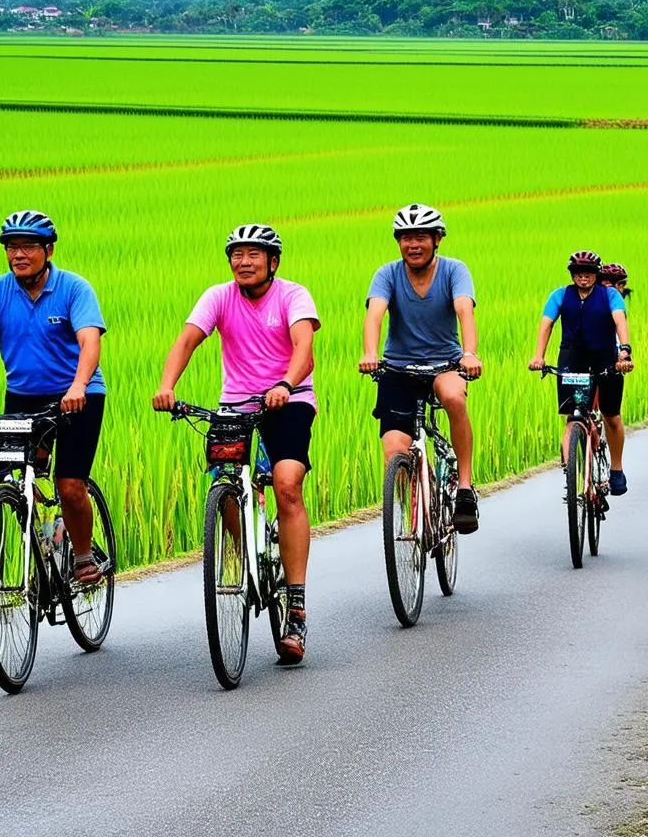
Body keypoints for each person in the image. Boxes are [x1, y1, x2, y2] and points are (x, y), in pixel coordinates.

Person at [153, 224, 319, 665]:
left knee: (286, 483)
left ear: (272, 262)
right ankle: (248, 553)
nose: (243, 262)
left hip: (289, 400)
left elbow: (305, 349)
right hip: (236, 406)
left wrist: (285, 382)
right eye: (236, 254)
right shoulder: (218, 297)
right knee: (221, 486)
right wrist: (167, 385)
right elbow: (187, 340)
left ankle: (296, 604)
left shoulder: (292, 296)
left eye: (253, 254)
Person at [0, 210, 108, 585]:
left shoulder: (74, 288)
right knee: (12, 476)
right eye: (12, 247)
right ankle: (43, 535)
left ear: (48, 249)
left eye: (28, 246)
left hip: (78, 397)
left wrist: (78, 385)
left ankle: (81, 555)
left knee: (69, 484)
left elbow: (89, 339)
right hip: (24, 398)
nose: (19, 254)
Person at [359, 203, 483, 534]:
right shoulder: (387, 274)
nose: (413, 245)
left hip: (445, 364)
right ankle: (412, 509)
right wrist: (370, 352)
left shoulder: (454, 270)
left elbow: (464, 310)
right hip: (399, 369)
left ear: (437, 239)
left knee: (454, 397)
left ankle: (465, 489)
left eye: (421, 237)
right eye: (406, 238)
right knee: (394, 450)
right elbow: (375, 313)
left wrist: (469, 354)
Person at [529, 250, 634, 496]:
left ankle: (616, 469)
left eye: (588, 273)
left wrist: (625, 353)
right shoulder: (560, 295)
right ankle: (572, 471)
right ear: (572, 275)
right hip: (571, 359)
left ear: (596, 275)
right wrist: (538, 356)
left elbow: (620, 322)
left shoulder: (609, 296)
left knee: (611, 416)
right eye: (578, 273)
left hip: (606, 360)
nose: (583, 278)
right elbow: (547, 324)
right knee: (573, 414)